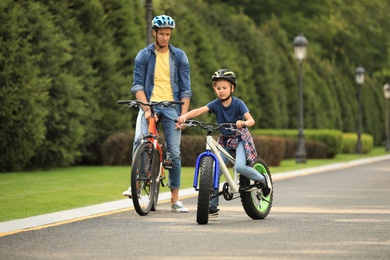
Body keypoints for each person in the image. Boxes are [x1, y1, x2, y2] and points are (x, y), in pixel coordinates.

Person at [177, 69, 272, 218]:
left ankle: (261, 179)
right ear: (215, 89)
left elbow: (251, 120)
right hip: (226, 140)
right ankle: (213, 207)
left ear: (232, 88)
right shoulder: (215, 104)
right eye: (218, 88)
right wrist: (184, 117)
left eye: (224, 88)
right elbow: (199, 110)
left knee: (239, 166)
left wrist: (243, 122)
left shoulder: (238, 103)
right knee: (216, 171)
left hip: (240, 137)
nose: (221, 91)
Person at [122, 15, 192, 213]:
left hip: (172, 107)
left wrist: (183, 116)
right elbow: (137, 86)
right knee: (139, 140)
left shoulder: (179, 57)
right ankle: (136, 186)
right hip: (149, 105)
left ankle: (175, 200)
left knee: (174, 154)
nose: (164, 37)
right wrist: (146, 110)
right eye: (161, 33)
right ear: (154, 32)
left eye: (168, 34)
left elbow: (186, 90)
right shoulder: (143, 56)